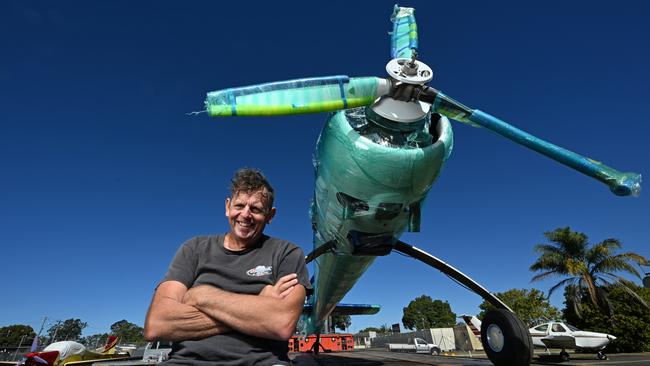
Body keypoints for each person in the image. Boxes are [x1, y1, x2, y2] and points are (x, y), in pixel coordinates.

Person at [144, 168, 312, 366]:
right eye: (239, 205)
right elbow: (156, 325)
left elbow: (281, 323)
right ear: (227, 207)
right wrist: (257, 305)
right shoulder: (194, 249)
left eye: (256, 209)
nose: (245, 214)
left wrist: (200, 296)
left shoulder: (287, 253)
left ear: (270, 215)